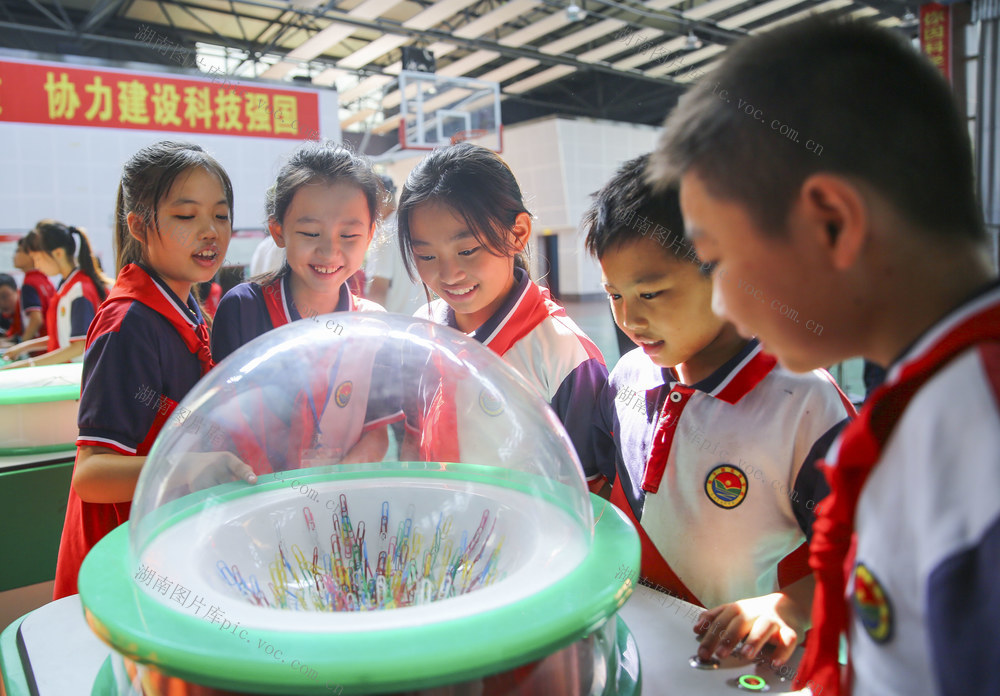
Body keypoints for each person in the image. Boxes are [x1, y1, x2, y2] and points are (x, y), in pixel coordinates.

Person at [650, 17, 1000, 696]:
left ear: (830, 223)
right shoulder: (925, 396)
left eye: (717, 260)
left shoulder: (977, 433)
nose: (719, 299)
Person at [585, 154, 855, 667]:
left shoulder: (803, 405)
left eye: (651, 292)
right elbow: (603, 492)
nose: (629, 318)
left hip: (756, 666)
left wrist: (791, 606)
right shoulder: (626, 379)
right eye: (614, 294)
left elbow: (873, 550)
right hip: (646, 651)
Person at [53, 140, 253, 599]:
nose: (210, 231)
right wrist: (193, 468)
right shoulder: (130, 323)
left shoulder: (186, 307)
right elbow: (92, 475)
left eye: (220, 215)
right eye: (187, 216)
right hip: (122, 560)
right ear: (140, 225)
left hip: (161, 543)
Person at [397, 142, 608, 483]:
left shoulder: (563, 355)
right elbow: (412, 440)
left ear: (518, 233)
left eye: (467, 250)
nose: (449, 274)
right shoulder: (422, 331)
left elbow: (590, 489)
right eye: (426, 256)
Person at [211, 140, 391, 470]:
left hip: (339, 507)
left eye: (349, 236)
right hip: (258, 499)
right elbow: (223, 425)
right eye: (310, 233)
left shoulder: (372, 326)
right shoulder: (243, 310)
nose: (329, 251)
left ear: (370, 236)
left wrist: (331, 487)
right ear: (278, 231)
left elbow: (376, 434)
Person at [1, 222, 109, 369]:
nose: (37, 265)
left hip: (79, 375)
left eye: (38, 259)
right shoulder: (68, 287)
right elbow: (62, 337)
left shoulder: (79, 290)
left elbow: (79, 346)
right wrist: (23, 347)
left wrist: (29, 364)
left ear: (58, 253)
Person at [366, 174, 425, 315]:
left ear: (379, 199)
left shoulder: (385, 232)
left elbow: (378, 290)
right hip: (421, 322)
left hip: (394, 326)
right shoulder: (412, 225)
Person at [7, 234, 56, 345]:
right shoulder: (45, 279)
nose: (14, 256)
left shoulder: (29, 283)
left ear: (31, 255)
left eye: (18, 251)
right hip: (50, 344)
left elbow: (36, 319)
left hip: (39, 350)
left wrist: (22, 345)